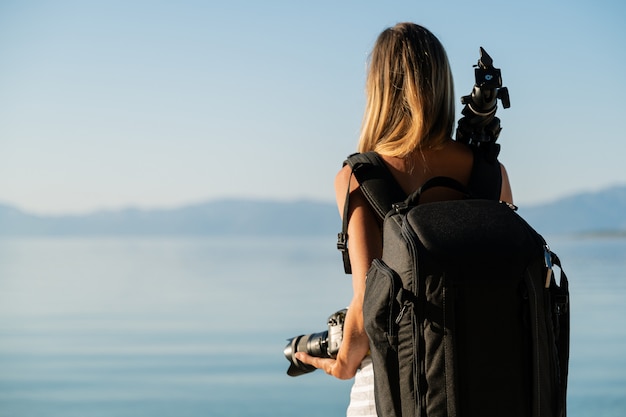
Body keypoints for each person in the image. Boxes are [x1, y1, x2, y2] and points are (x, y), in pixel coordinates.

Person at [295, 22, 513, 416]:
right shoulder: (490, 173)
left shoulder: (360, 178)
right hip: (484, 389)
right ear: (443, 86)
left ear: (377, 90)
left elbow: (368, 304)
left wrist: (341, 363)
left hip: (392, 393)